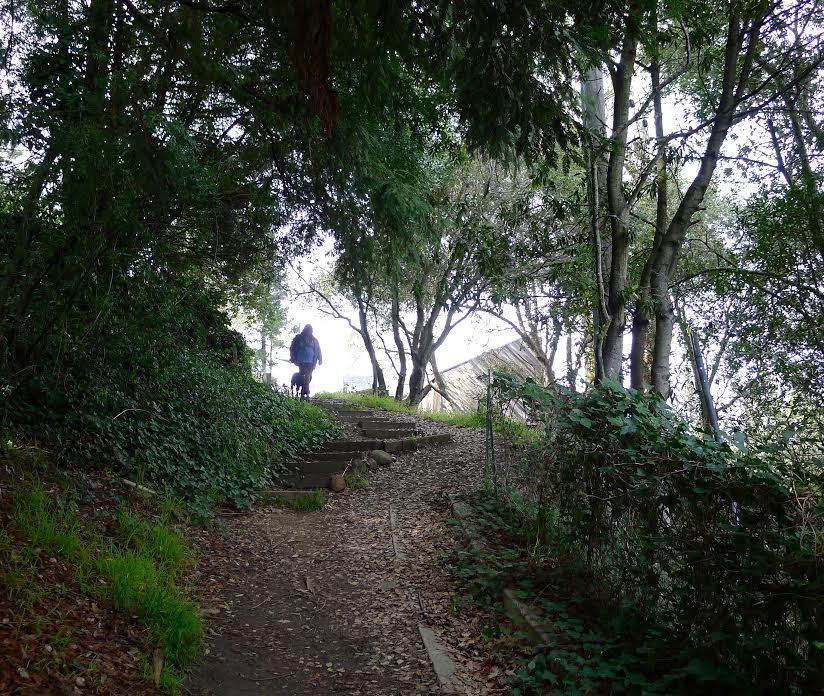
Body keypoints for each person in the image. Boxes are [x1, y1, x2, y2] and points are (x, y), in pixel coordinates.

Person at [289, 324, 322, 399]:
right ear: (305, 330)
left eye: (310, 330)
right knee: (303, 376)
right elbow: (292, 348)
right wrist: (293, 358)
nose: (309, 332)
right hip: (300, 361)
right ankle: (302, 393)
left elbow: (318, 350)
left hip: (311, 362)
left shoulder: (314, 340)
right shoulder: (298, 338)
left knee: (308, 376)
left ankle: (305, 393)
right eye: (308, 330)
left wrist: (320, 359)